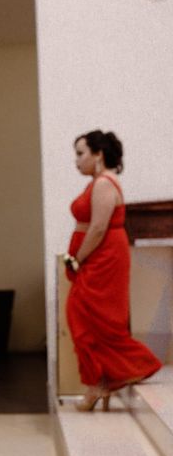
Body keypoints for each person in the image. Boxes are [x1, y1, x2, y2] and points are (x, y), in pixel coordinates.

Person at [64, 130, 161, 411]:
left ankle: (105, 380)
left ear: (99, 155)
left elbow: (97, 228)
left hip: (103, 257)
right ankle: (99, 384)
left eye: (81, 154)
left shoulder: (105, 183)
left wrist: (77, 258)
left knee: (89, 317)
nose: (76, 161)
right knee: (87, 319)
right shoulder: (97, 183)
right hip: (99, 255)